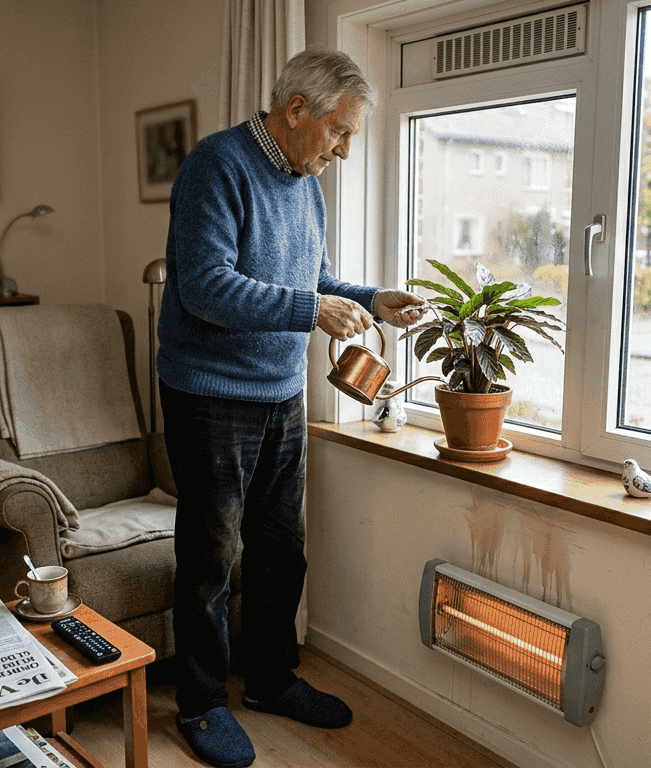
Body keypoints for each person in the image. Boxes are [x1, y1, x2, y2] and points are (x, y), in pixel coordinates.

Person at [155, 45, 427, 768]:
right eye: (339, 131)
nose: (343, 149)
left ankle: (271, 681)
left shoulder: (306, 183)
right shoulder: (216, 166)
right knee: (211, 558)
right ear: (297, 110)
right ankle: (203, 702)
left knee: (282, 552)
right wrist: (313, 310)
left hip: (280, 394)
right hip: (209, 393)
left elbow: (313, 278)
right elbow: (206, 288)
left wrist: (371, 300)